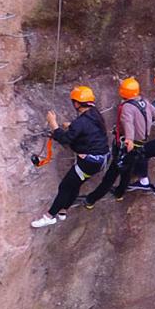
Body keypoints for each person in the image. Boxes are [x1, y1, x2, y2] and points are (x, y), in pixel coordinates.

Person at [83, 77, 155, 208]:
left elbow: (128, 123)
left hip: (127, 145)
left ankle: (91, 200)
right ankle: (120, 193)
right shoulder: (144, 102)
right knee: (126, 171)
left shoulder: (127, 107)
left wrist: (129, 139)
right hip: (139, 144)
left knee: (111, 175)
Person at [31, 86, 110, 228]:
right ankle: (63, 210)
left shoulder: (81, 122)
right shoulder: (94, 113)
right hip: (100, 159)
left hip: (89, 162)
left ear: (77, 103)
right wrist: (73, 126)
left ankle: (49, 216)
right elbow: (87, 130)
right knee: (75, 184)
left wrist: (53, 124)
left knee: (65, 186)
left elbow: (65, 139)